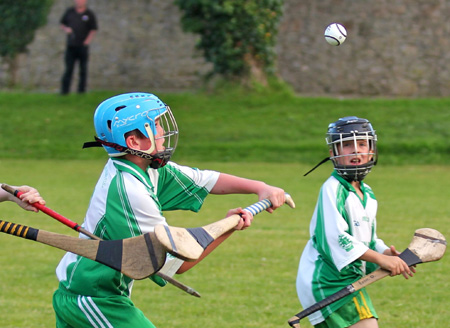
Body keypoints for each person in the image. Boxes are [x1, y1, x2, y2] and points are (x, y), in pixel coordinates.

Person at [52, 92, 286, 327]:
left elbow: (204, 180)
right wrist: (227, 227)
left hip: (95, 293)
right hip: (92, 297)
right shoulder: (130, 193)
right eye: (154, 125)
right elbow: (176, 261)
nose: (162, 131)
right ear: (133, 142)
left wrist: (260, 188)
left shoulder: (143, 167)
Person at [296, 116, 414, 328]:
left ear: (371, 150)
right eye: (347, 145)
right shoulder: (333, 189)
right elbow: (335, 237)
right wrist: (379, 259)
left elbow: (367, 239)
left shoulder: (367, 193)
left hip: (343, 279)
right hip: (329, 280)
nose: (356, 151)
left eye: (361, 144)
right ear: (334, 153)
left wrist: (385, 253)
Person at [60, 0, 98, 95]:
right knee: (69, 68)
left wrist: (87, 41)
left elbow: (93, 29)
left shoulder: (89, 14)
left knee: (83, 69)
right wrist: (66, 29)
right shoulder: (70, 12)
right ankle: (64, 91)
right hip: (71, 45)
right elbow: (62, 23)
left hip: (82, 46)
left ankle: (81, 91)